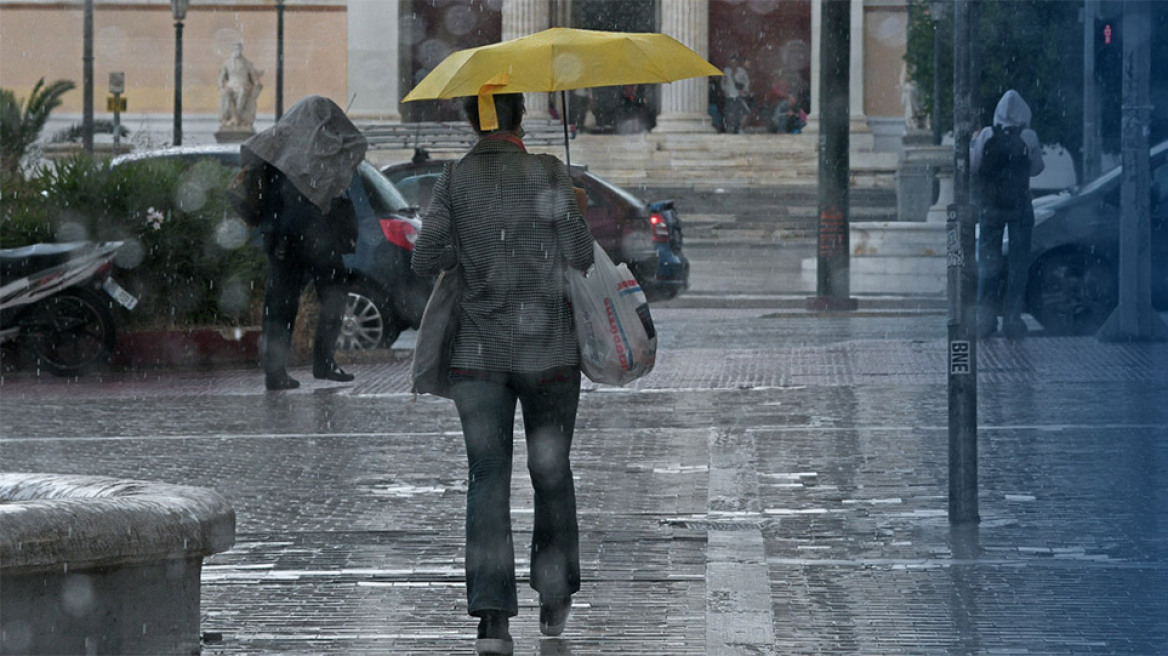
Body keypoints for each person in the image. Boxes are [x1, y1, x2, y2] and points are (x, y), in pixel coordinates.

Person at [411, 92, 594, 656]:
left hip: (478, 357)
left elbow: (426, 258)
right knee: (552, 470)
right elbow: (581, 257)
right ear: (520, 118)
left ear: (473, 121)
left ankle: (492, 616)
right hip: (551, 355)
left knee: (486, 476)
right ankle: (555, 591)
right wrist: (574, 210)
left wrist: (459, 239)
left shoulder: (454, 178)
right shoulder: (548, 171)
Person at [241, 95, 367, 390]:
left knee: (280, 302)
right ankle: (324, 362)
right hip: (316, 237)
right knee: (334, 293)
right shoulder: (326, 147)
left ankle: (275, 372)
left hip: (278, 235)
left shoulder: (275, 141)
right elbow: (347, 167)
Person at [970, 89, 1045, 339]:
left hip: (990, 207)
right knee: (1018, 265)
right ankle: (1012, 320)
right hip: (1020, 207)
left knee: (988, 264)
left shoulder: (987, 135)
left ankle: (985, 319)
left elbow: (974, 166)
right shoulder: (1028, 136)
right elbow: (1036, 170)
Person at [219, 42, 261, 131]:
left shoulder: (247, 63)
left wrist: (257, 83)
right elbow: (222, 77)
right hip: (231, 85)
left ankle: (235, 117)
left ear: (241, 50)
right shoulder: (226, 63)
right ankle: (235, 118)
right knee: (226, 93)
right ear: (232, 51)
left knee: (243, 91)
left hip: (243, 84)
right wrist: (221, 85)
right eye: (235, 49)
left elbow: (253, 77)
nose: (237, 51)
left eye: (238, 49)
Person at [721, 55, 752, 133]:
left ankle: (739, 128)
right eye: (731, 62)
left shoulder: (742, 71)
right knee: (731, 113)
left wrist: (744, 90)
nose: (733, 64)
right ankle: (732, 127)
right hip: (729, 95)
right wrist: (725, 90)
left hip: (739, 95)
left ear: (737, 63)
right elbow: (723, 82)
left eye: (734, 62)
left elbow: (747, 82)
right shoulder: (726, 71)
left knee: (745, 112)